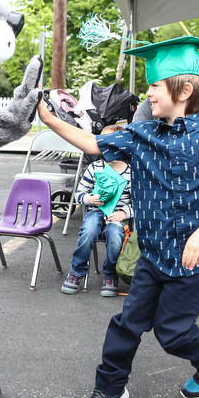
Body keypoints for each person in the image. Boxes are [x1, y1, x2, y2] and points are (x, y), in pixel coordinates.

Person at [36, 36, 199, 398]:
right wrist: (50, 119)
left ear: (183, 90)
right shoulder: (141, 135)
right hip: (151, 254)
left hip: (191, 259)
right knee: (126, 323)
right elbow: (92, 143)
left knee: (173, 332)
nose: (147, 92)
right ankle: (110, 388)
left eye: (153, 85)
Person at [61, 125, 133, 297]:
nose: (104, 148)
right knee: (89, 230)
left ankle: (110, 273)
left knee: (115, 236)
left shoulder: (131, 172)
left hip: (118, 215)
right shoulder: (95, 167)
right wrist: (90, 199)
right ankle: (77, 270)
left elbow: (140, 204)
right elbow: (78, 194)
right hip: (96, 210)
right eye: (102, 143)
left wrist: (124, 213)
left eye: (110, 143)